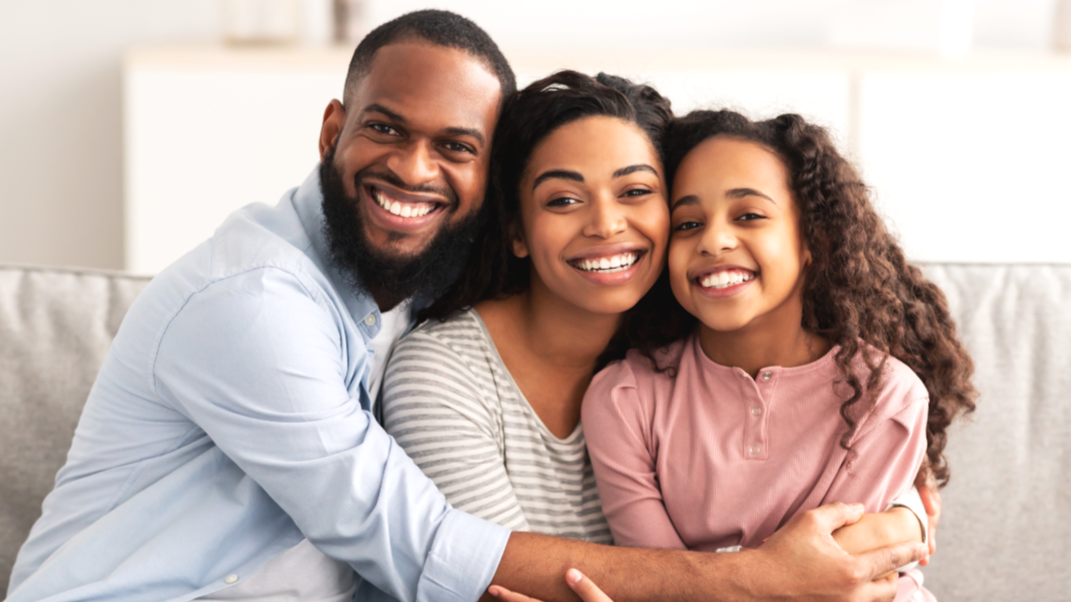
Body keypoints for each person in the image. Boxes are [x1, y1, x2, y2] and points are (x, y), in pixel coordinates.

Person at [7, 11, 927, 602]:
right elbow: (427, 549)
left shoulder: (427, 290)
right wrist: (759, 582)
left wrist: (902, 522)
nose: (414, 170)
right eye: (384, 129)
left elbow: (837, 410)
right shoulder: (257, 306)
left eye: (453, 146)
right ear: (333, 129)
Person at [382, 70, 928, 556]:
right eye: (564, 200)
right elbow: (496, 580)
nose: (606, 225)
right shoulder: (446, 375)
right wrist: (774, 575)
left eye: (636, 191)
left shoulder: (714, 330)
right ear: (517, 231)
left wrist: (907, 514)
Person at [576, 110, 978, 600]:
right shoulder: (623, 398)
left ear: (813, 240)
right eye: (688, 222)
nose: (714, 240)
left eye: (748, 215)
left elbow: (830, 580)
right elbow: (657, 583)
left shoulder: (885, 397)